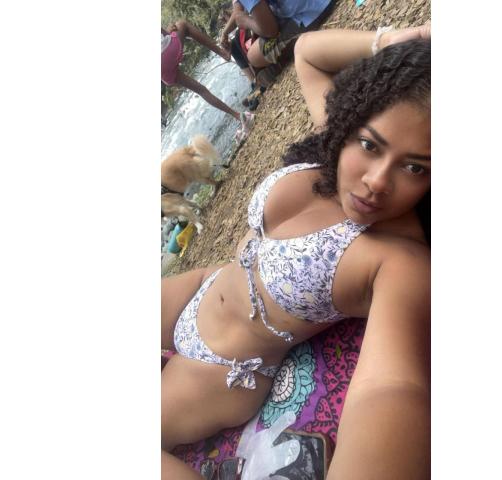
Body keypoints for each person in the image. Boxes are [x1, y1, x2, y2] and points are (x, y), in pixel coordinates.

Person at [162, 23, 431, 479]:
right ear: (352, 122)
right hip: (204, 285)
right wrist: (403, 41)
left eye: (415, 168)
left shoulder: (397, 258)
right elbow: (307, 52)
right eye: (371, 145)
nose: (376, 181)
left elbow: (392, 390)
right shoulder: (334, 148)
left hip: (221, 366)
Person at [162, 20, 255, 138]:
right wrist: (169, 32)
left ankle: (239, 116)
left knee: (201, 90)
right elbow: (163, 33)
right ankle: (223, 53)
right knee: (182, 24)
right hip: (165, 52)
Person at [219, 0, 336, 87]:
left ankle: (278, 67)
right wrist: (225, 32)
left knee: (253, 56)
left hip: (313, 11)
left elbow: (270, 31)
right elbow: (237, 10)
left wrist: (245, 21)